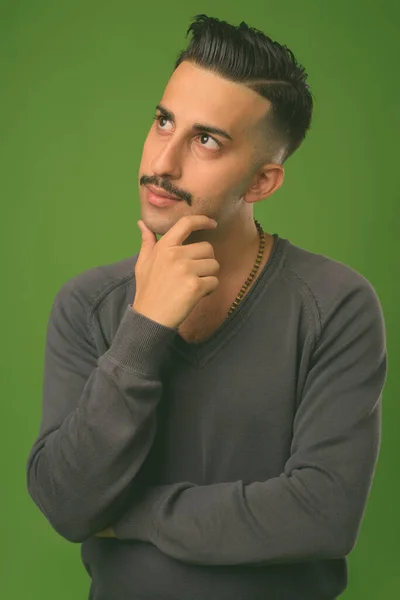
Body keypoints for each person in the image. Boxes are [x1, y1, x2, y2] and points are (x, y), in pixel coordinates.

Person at [26, 14, 388, 600]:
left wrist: (132, 517)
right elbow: (67, 505)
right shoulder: (89, 305)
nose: (163, 163)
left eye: (206, 140)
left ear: (262, 182)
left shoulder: (335, 304)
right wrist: (143, 330)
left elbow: (322, 513)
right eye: (164, 121)